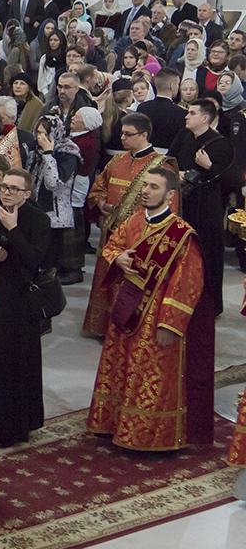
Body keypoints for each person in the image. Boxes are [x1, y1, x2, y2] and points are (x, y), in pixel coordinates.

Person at [87, 168, 208, 450]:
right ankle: (113, 425)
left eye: (153, 187)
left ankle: (146, 438)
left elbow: (188, 283)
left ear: (170, 195)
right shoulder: (133, 221)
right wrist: (117, 258)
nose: (145, 191)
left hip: (156, 315)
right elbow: (112, 245)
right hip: (126, 305)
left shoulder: (182, 234)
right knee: (119, 368)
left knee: (148, 376)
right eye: (145, 186)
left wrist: (170, 324)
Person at [0, 169, 50, 447]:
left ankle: (16, 427)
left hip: (21, 301)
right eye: (4, 187)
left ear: (27, 194)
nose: (6, 192)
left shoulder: (38, 219)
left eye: (14, 189)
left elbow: (34, 259)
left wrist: (13, 231)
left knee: (19, 364)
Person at [82, 113, 174, 335]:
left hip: (140, 237)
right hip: (112, 234)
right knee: (108, 281)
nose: (122, 138)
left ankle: (125, 327)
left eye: (128, 134)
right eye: (122, 133)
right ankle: (103, 327)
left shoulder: (162, 167)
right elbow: (100, 185)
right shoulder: (117, 160)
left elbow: (169, 206)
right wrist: (100, 200)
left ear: (144, 135)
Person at [169, 99, 234, 322]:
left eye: (192, 113)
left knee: (208, 254)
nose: (187, 116)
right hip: (182, 202)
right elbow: (169, 159)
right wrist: (175, 172)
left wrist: (208, 167)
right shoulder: (183, 136)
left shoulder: (221, 143)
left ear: (205, 118)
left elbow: (231, 179)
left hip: (208, 206)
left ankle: (210, 305)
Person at [27, 115, 81, 286]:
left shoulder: (68, 153)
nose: (40, 138)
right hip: (37, 209)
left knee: (50, 261)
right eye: (38, 133)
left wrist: (49, 153)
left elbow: (53, 183)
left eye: (45, 133)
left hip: (56, 215)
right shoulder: (36, 152)